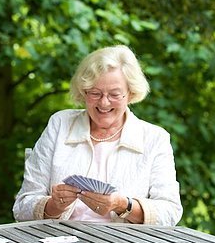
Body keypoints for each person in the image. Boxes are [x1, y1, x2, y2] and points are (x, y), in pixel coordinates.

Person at [13, 45, 182, 225]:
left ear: (130, 94)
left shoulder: (154, 139)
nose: (104, 102)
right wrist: (54, 206)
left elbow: (170, 212)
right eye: (95, 93)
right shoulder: (60, 124)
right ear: (83, 92)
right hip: (58, 241)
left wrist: (123, 205)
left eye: (115, 94)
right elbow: (22, 206)